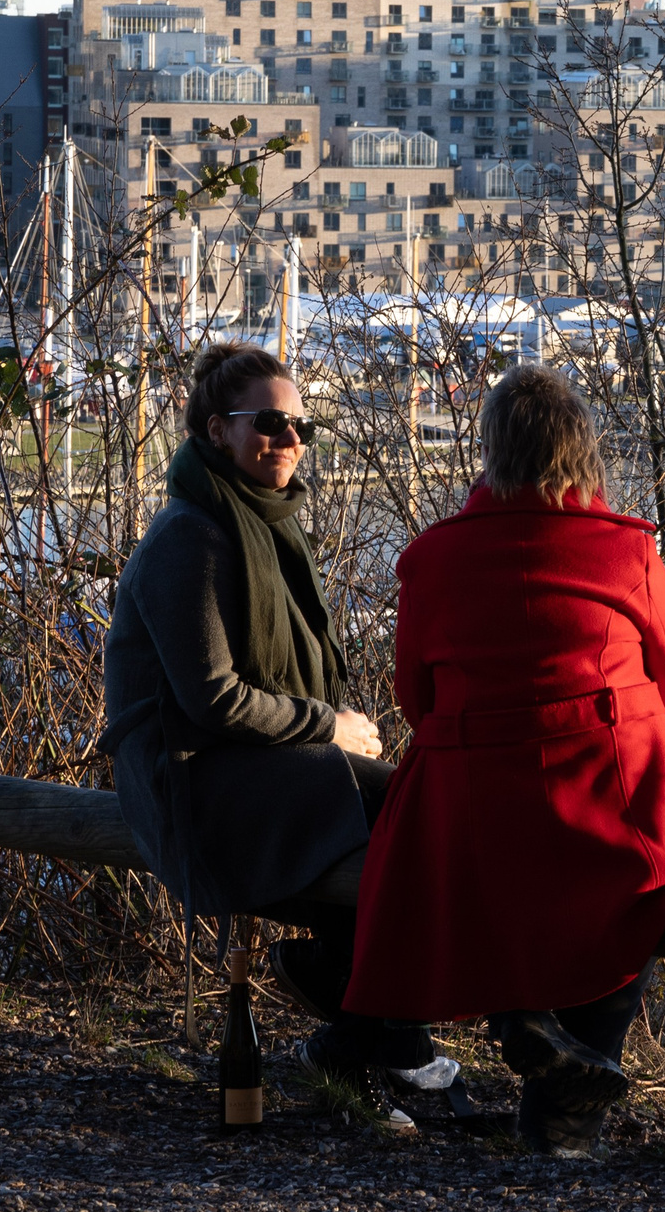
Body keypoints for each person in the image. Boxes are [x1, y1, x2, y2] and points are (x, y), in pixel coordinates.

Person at [345, 364, 665, 1155]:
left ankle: (528, 1025)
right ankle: (567, 1102)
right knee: (647, 888)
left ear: (490, 452)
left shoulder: (431, 559)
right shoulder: (626, 550)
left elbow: (413, 697)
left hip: (470, 796)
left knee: (484, 870)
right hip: (605, 784)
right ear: (583, 450)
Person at [101, 342, 447, 1108]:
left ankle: (354, 1023)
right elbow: (213, 698)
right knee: (388, 809)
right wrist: (326, 725)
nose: (289, 441)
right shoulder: (190, 536)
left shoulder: (269, 524)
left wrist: (325, 732)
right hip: (187, 775)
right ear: (217, 429)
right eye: (269, 423)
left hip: (246, 763)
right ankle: (375, 1028)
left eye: (300, 426)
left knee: (416, 808)